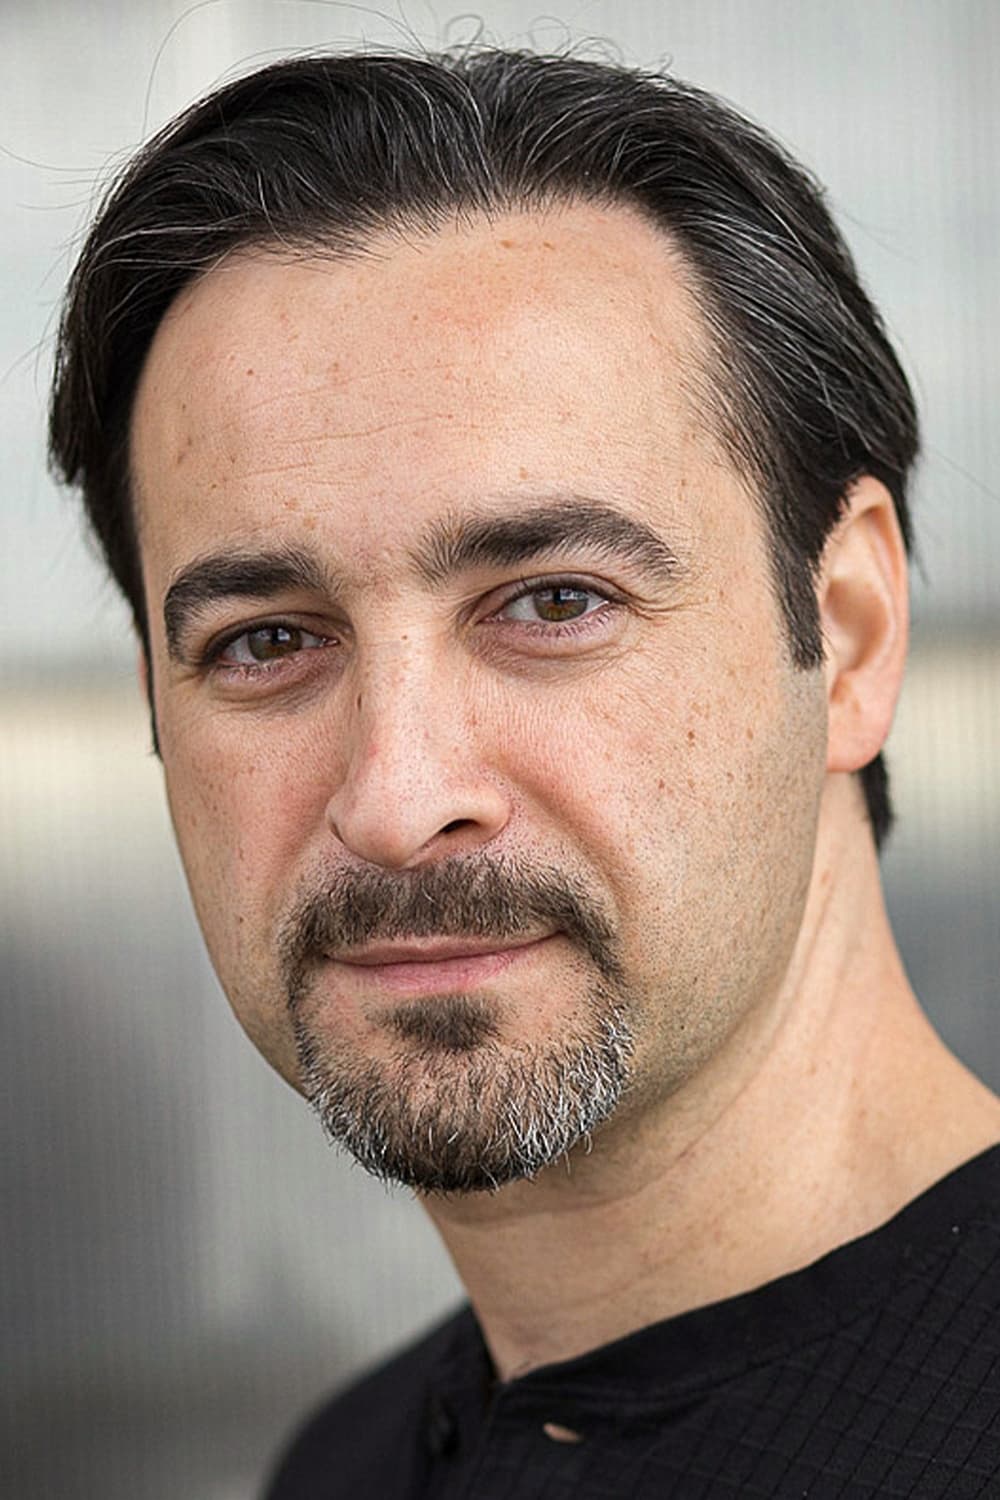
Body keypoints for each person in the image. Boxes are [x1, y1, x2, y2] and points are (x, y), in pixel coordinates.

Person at [49, 45, 1000, 1499]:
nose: (396, 797)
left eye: (554, 602)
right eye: (266, 641)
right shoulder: (340, 1470)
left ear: (852, 632)